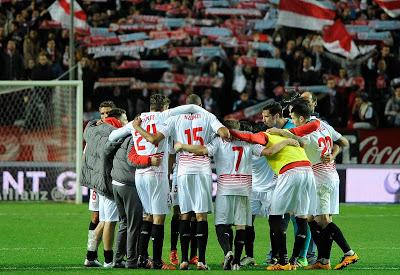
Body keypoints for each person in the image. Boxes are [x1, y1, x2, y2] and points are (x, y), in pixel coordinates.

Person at [108, 94, 209, 269]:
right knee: (159, 218)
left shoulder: (136, 120)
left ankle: (142, 258)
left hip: (140, 175)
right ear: (164, 106)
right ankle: (156, 261)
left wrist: (134, 127)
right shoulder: (165, 116)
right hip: (156, 173)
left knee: (147, 215)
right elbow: (192, 107)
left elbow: (112, 137)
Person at [131, 94, 230, 270]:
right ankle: (201, 261)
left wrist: (137, 127)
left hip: (182, 171)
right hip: (202, 170)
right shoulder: (208, 117)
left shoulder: (174, 118)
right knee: (201, 216)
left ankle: (183, 260)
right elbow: (225, 133)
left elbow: (158, 142)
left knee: (183, 214)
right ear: (200, 105)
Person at [268, 98, 359, 270]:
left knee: (323, 220)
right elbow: (341, 141)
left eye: (294, 119)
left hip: (321, 179)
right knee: (310, 218)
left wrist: (277, 133)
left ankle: (349, 253)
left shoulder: (307, 135)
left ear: (301, 119)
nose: (292, 122)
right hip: (327, 175)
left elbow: (297, 139)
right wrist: (332, 155)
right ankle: (323, 261)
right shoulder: (320, 123)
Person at [174, 120, 274, 270]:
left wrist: (183, 146)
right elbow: (268, 152)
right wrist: (286, 142)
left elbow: (202, 150)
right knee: (241, 226)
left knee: (222, 224)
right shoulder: (247, 140)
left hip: (225, 188)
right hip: (245, 189)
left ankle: (228, 251)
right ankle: (236, 263)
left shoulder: (219, 140)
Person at [230, 116, 317, 271]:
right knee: (302, 217)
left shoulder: (264, 138)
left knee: (275, 219)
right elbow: (313, 125)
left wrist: (227, 131)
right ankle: (294, 261)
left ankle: (282, 261)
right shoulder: (284, 132)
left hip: (289, 173)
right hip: (307, 171)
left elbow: (250, 137)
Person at [108, 123, 160, 269]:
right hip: (127, 185)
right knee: (133, 224)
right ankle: (131, 260)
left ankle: (118, 259)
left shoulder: (122, 138)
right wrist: (150, 160)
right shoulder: (133, 139)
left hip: (117, 183)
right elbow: (132, 159)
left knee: (124, 223)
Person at [82, 108, 128, 268]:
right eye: (124, 119)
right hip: (107, 182)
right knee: (110, 220)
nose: (126, 122)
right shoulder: (111, 135)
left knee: (103, 219)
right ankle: (109, 260)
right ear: (116, 121)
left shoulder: (92, 132)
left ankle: (91, 253)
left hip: (96, 181)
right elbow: (107, 152)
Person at [83, 100, 115, 267]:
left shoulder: (116, 131)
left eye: (108, 113)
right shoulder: (94, 132)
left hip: (109, 179)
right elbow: (85, 156)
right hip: (97, 181)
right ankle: (92, 255)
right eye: (102, 113)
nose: (105, 116)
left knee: (107, 218)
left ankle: (92, 253)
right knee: (97, 216)